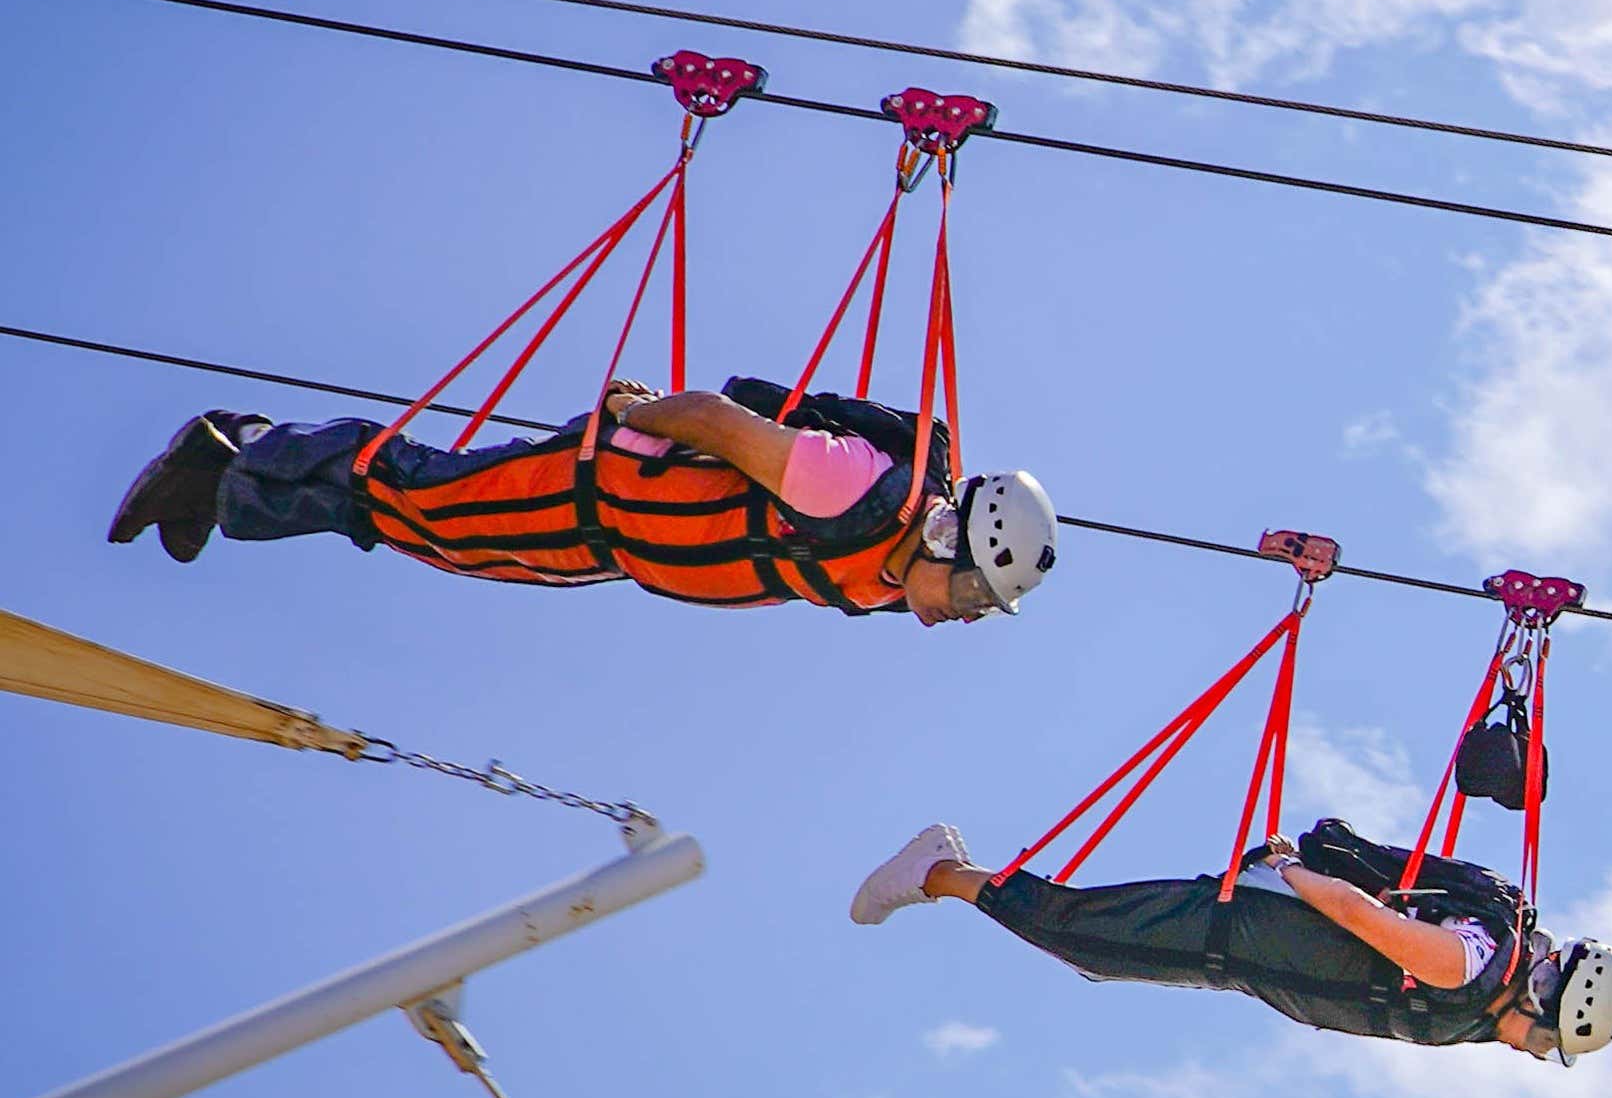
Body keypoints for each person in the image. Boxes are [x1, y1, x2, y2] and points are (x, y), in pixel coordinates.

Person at [105, 377, 1056, 625]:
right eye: (974, 593)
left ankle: (229, 487)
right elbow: (721, 424)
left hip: (613, 544)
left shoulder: (891, 576)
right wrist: (642, 412)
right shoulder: (850, 488)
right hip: (600, 489)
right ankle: (229, 449)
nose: (964, 614)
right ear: (946, 533)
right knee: (414, 493)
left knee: (429, 538)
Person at [848, 819, 1612, 1064]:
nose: (1533, 1051)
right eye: (1546, 1038)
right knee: (1076, 935)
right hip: (1246, 921)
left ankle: (945, 869)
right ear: (1541, 996)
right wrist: (1289, 869)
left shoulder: (1479, 990)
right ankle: (939, 868)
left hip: (1245, 951)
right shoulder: (1471, 964)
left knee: (1091, 951)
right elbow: (1365, 919)